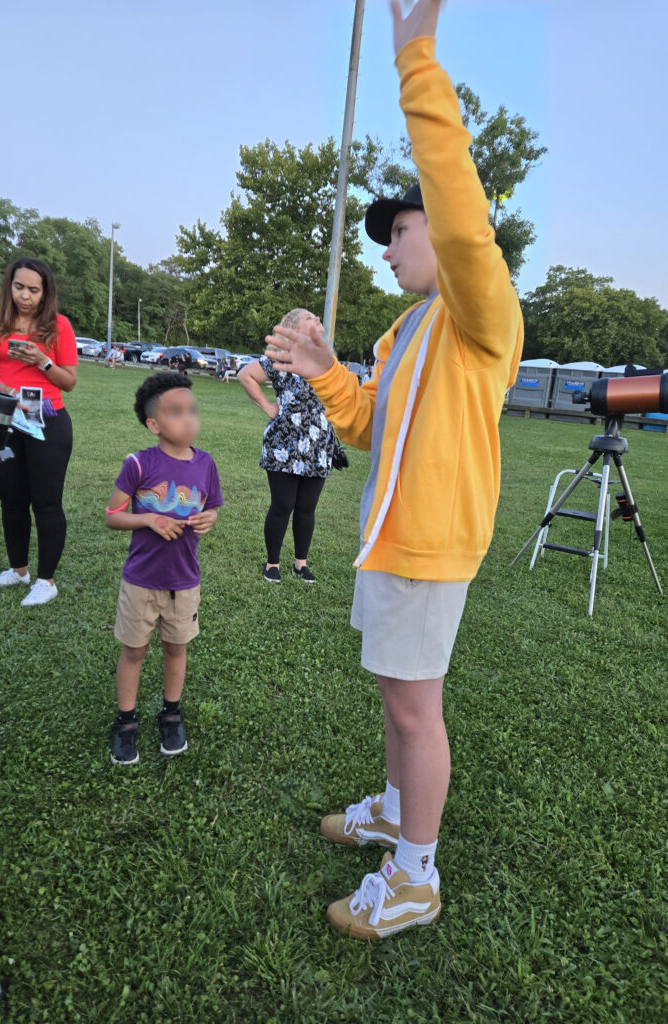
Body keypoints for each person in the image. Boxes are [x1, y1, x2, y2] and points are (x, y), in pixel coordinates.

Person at [265, 0, 523, 940]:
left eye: (400, 229)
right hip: (391, 537)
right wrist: (328, 367)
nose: (388, 244)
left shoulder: (478, 311)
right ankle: (389, 806)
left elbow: (462, 219)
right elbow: (373, 425)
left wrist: (416, 58)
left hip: (427, 545)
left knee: (418, 712)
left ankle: (415, 875)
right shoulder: (409, 328)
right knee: (396, 698)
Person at [105, 372, 222, 765]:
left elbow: (211, 507)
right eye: (176, 412)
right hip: (141, 579)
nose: (189, 419)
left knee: (176, 647)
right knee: (134, 651)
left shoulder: (206, 464)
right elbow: (112, 516)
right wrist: (148, 520)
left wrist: (210, 519)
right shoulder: (138, 464)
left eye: (192, 410)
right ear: (154, 424)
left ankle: (171, 713)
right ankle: (126, 721)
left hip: (184, 579)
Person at [0, 257, 78, 607]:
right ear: (10, 285)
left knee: (46, 503)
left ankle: (47, 581)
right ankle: (18, 571)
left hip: (46, 419)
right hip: (3, 417)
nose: (25, 296)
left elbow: (70, 381)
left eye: (34, 289)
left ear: (45, 292)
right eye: (19, 287)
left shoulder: (58, 325)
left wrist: (42, 361)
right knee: (11, 500)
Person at [238, 308, 335, 584]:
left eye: (318, 317)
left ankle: (301, 564)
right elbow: (246, 375)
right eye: (309, 318)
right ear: (293, 327)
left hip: (318, 444)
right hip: (284, 443)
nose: (317, 319)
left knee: (307, 507)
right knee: (282, 505)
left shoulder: (328, 359)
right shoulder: (280, 357)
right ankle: (273, 564)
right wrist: (269, 407)